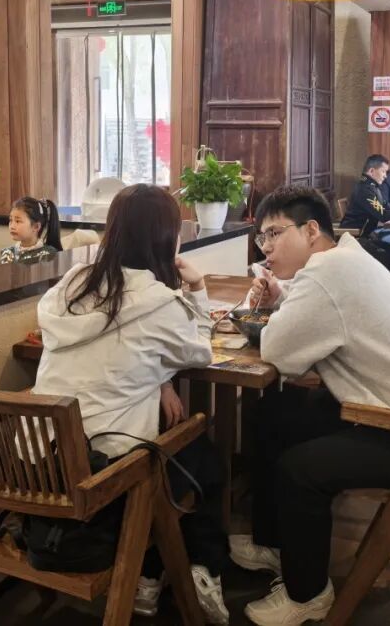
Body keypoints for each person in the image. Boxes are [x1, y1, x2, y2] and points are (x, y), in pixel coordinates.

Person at [229, 186, 390, 626]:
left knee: (298, 469)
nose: (266, 247)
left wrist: (268, 313)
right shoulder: (347, 258)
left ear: (311, 230)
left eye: (274, 234)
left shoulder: (326, 273)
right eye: (262, 238)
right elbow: (326, 318)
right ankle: (275, 544)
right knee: (276, 415)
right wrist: (282, 299)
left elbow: (280, 352)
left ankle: (308, 594)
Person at [30, 184, 230, 623]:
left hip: (38, 469)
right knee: (202, 456)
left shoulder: (74, 283)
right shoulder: (160, 303)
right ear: (168, 239)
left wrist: (159, 380)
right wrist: (197, 288)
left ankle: (150, 575)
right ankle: (199, 570)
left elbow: (113, 358)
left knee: (170, 444)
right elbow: (200, 352)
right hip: (104, 479)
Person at [340, 154, 390, 272]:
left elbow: (385, 206)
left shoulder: (373, 187)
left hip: (367, 234)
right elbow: (383, 215)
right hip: (355, 237)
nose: (385, 176)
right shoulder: (364, 190)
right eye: (383, 171)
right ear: (372, 171)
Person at [0, 197, 62, 264]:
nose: (12, 226)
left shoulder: (48, 254)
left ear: (36, 226)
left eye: (18, 221)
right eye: (11, 220)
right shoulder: (6, 253)